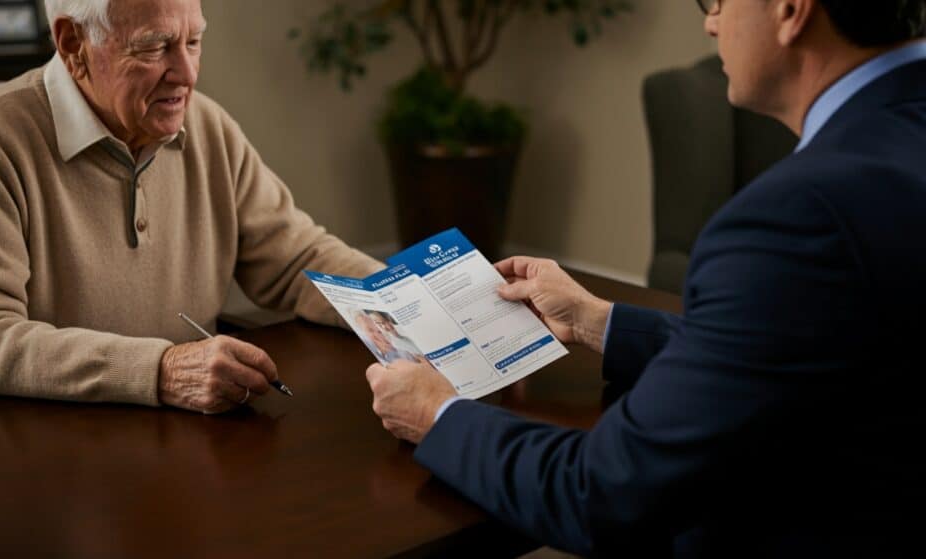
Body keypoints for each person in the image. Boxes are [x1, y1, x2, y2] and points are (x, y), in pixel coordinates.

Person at [365, 1, 926, 556]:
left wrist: (436, 414)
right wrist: (600, 322)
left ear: (790, 9)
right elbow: (811, 352)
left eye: (718, 1)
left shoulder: (796, 215)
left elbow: (603, 493)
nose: (710, 22)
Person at [0, 0, 381, 414]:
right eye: (154, 46)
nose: (186, 73)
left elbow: (300, 259)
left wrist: (408, 297)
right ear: (73, 43)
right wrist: (160, 370)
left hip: (188, 442)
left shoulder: (208, 127)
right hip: (45, 455)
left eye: (193, 41)